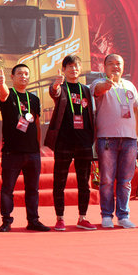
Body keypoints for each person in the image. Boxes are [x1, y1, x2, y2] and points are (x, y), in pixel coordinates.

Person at [44, 55, 96, 231]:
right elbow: (54, 93)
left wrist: (91, 138)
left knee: (84, 183)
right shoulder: (61, 88)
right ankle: (60, 218)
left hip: (84, 143)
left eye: (76, 66)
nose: (73, 69)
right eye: (70, 66)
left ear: (80, 69)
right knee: (59, 182)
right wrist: (55, 86)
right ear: (64, 70)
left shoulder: (86, 90)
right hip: (64, 142)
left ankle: (83, 217)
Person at [0, 64, 50, 232]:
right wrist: (1, 85)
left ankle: (33, 220)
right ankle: (6, 221)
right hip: (12, 152)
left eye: (26, 74)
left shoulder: (33, 99)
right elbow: (3, 94)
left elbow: (37, 123)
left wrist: (38, 146)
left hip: (32, 152)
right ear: (12, 77)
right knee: (7, 189)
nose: (23, 76)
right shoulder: (9, 94)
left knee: (33, 189)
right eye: (19, 73)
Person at [91, 54, 138, 229]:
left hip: (129, 140)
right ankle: (106, 215)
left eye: (118, 63)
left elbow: (137, 111)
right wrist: (107, 85)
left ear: (123, 66)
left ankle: (123, 216)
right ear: (104, 67)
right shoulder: (98, 83)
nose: (115, 66)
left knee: (125, 180)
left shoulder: (130, 86)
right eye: (110, 63)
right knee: (106, 180)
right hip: (107, 139)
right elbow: (98, 91)